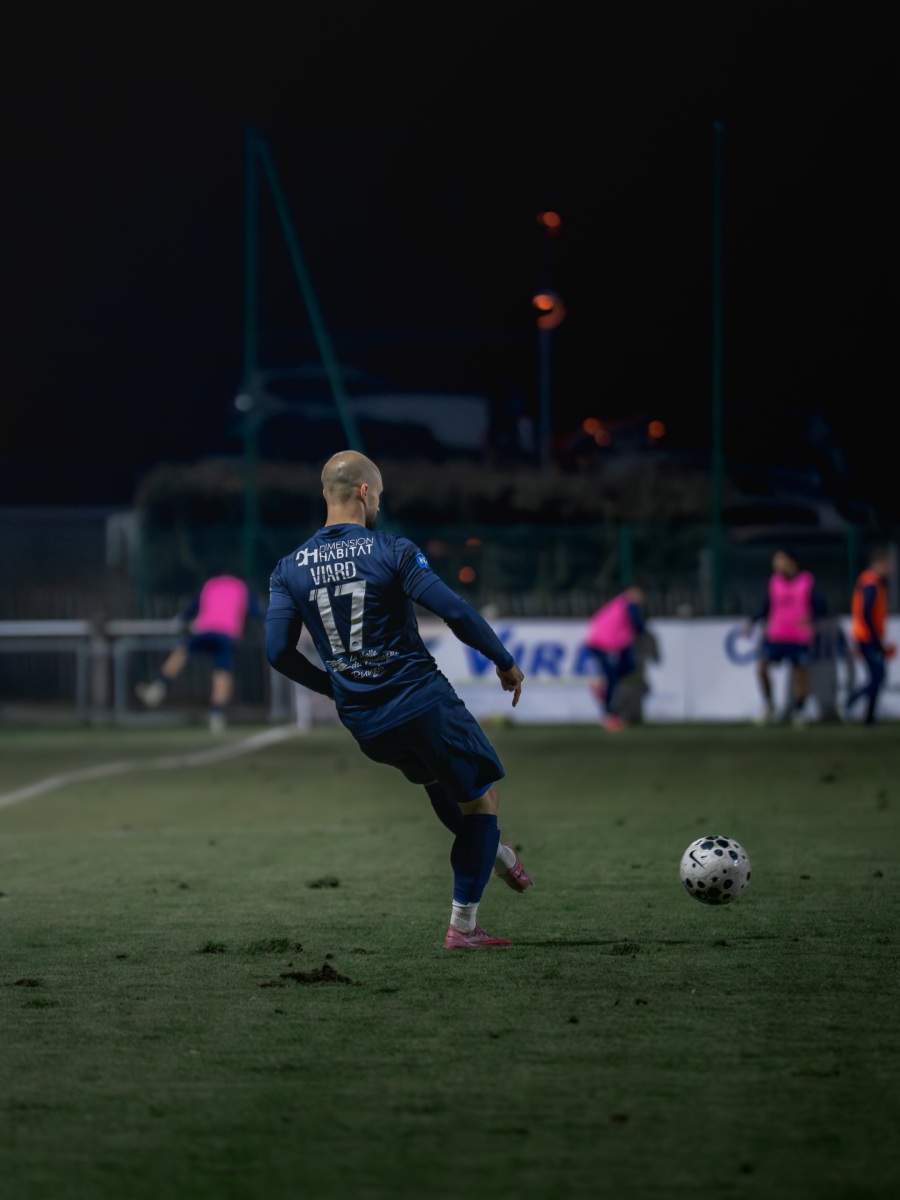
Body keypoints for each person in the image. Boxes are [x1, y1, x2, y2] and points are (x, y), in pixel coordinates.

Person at [265, 449, 531, 951]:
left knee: (437, 781)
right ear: (364, 492)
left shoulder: (288, 568)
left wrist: (333, 686)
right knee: (482, 801)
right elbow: (454, 611)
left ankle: (498, 856)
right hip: (420, 701)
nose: (379, 505)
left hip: (367, 723)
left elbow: (278, 652)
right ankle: (465, 926)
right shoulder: (391, 550)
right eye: (379, 496)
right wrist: (503, 660)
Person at [135, 573, 264, 732]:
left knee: (181, 652)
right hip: (226, 635)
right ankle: (217, 714)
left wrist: (181, 619)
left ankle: (159, 687)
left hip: (204, 630)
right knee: (222, 672)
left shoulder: (210, 584)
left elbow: (193, 606)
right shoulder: (240, 587)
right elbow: (254, 610)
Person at [743, 548, 827, 726]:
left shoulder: (806, 581)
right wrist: (753, 621)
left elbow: (821, 606)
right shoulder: (774, 582)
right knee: (762, 668)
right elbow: (767, 606)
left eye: (779, 560)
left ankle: (800, 710)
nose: (776, 565)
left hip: (799, 636)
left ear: (790, 562)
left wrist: (811, 618)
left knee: (800, 673)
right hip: (776, 635)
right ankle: (769, 705)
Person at [583, 585, 649, 731]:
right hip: (608, 645)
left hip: (603, 643)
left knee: (621, 674)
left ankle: (610, 707)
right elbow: (638, 625)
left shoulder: (617, 604)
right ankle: (610, 714)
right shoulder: (629, 605)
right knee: (613, 679)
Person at [845, 546, 895, 725]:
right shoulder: (870, 583)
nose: (890, 568)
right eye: (888, 564)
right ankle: (854, 704)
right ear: (879, 563)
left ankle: (869, 715)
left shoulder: (873, 582)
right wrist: (876, 639)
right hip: (867, 637)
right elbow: (866, 613)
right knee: (877, 676)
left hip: (867, 636)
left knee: (877, 676)